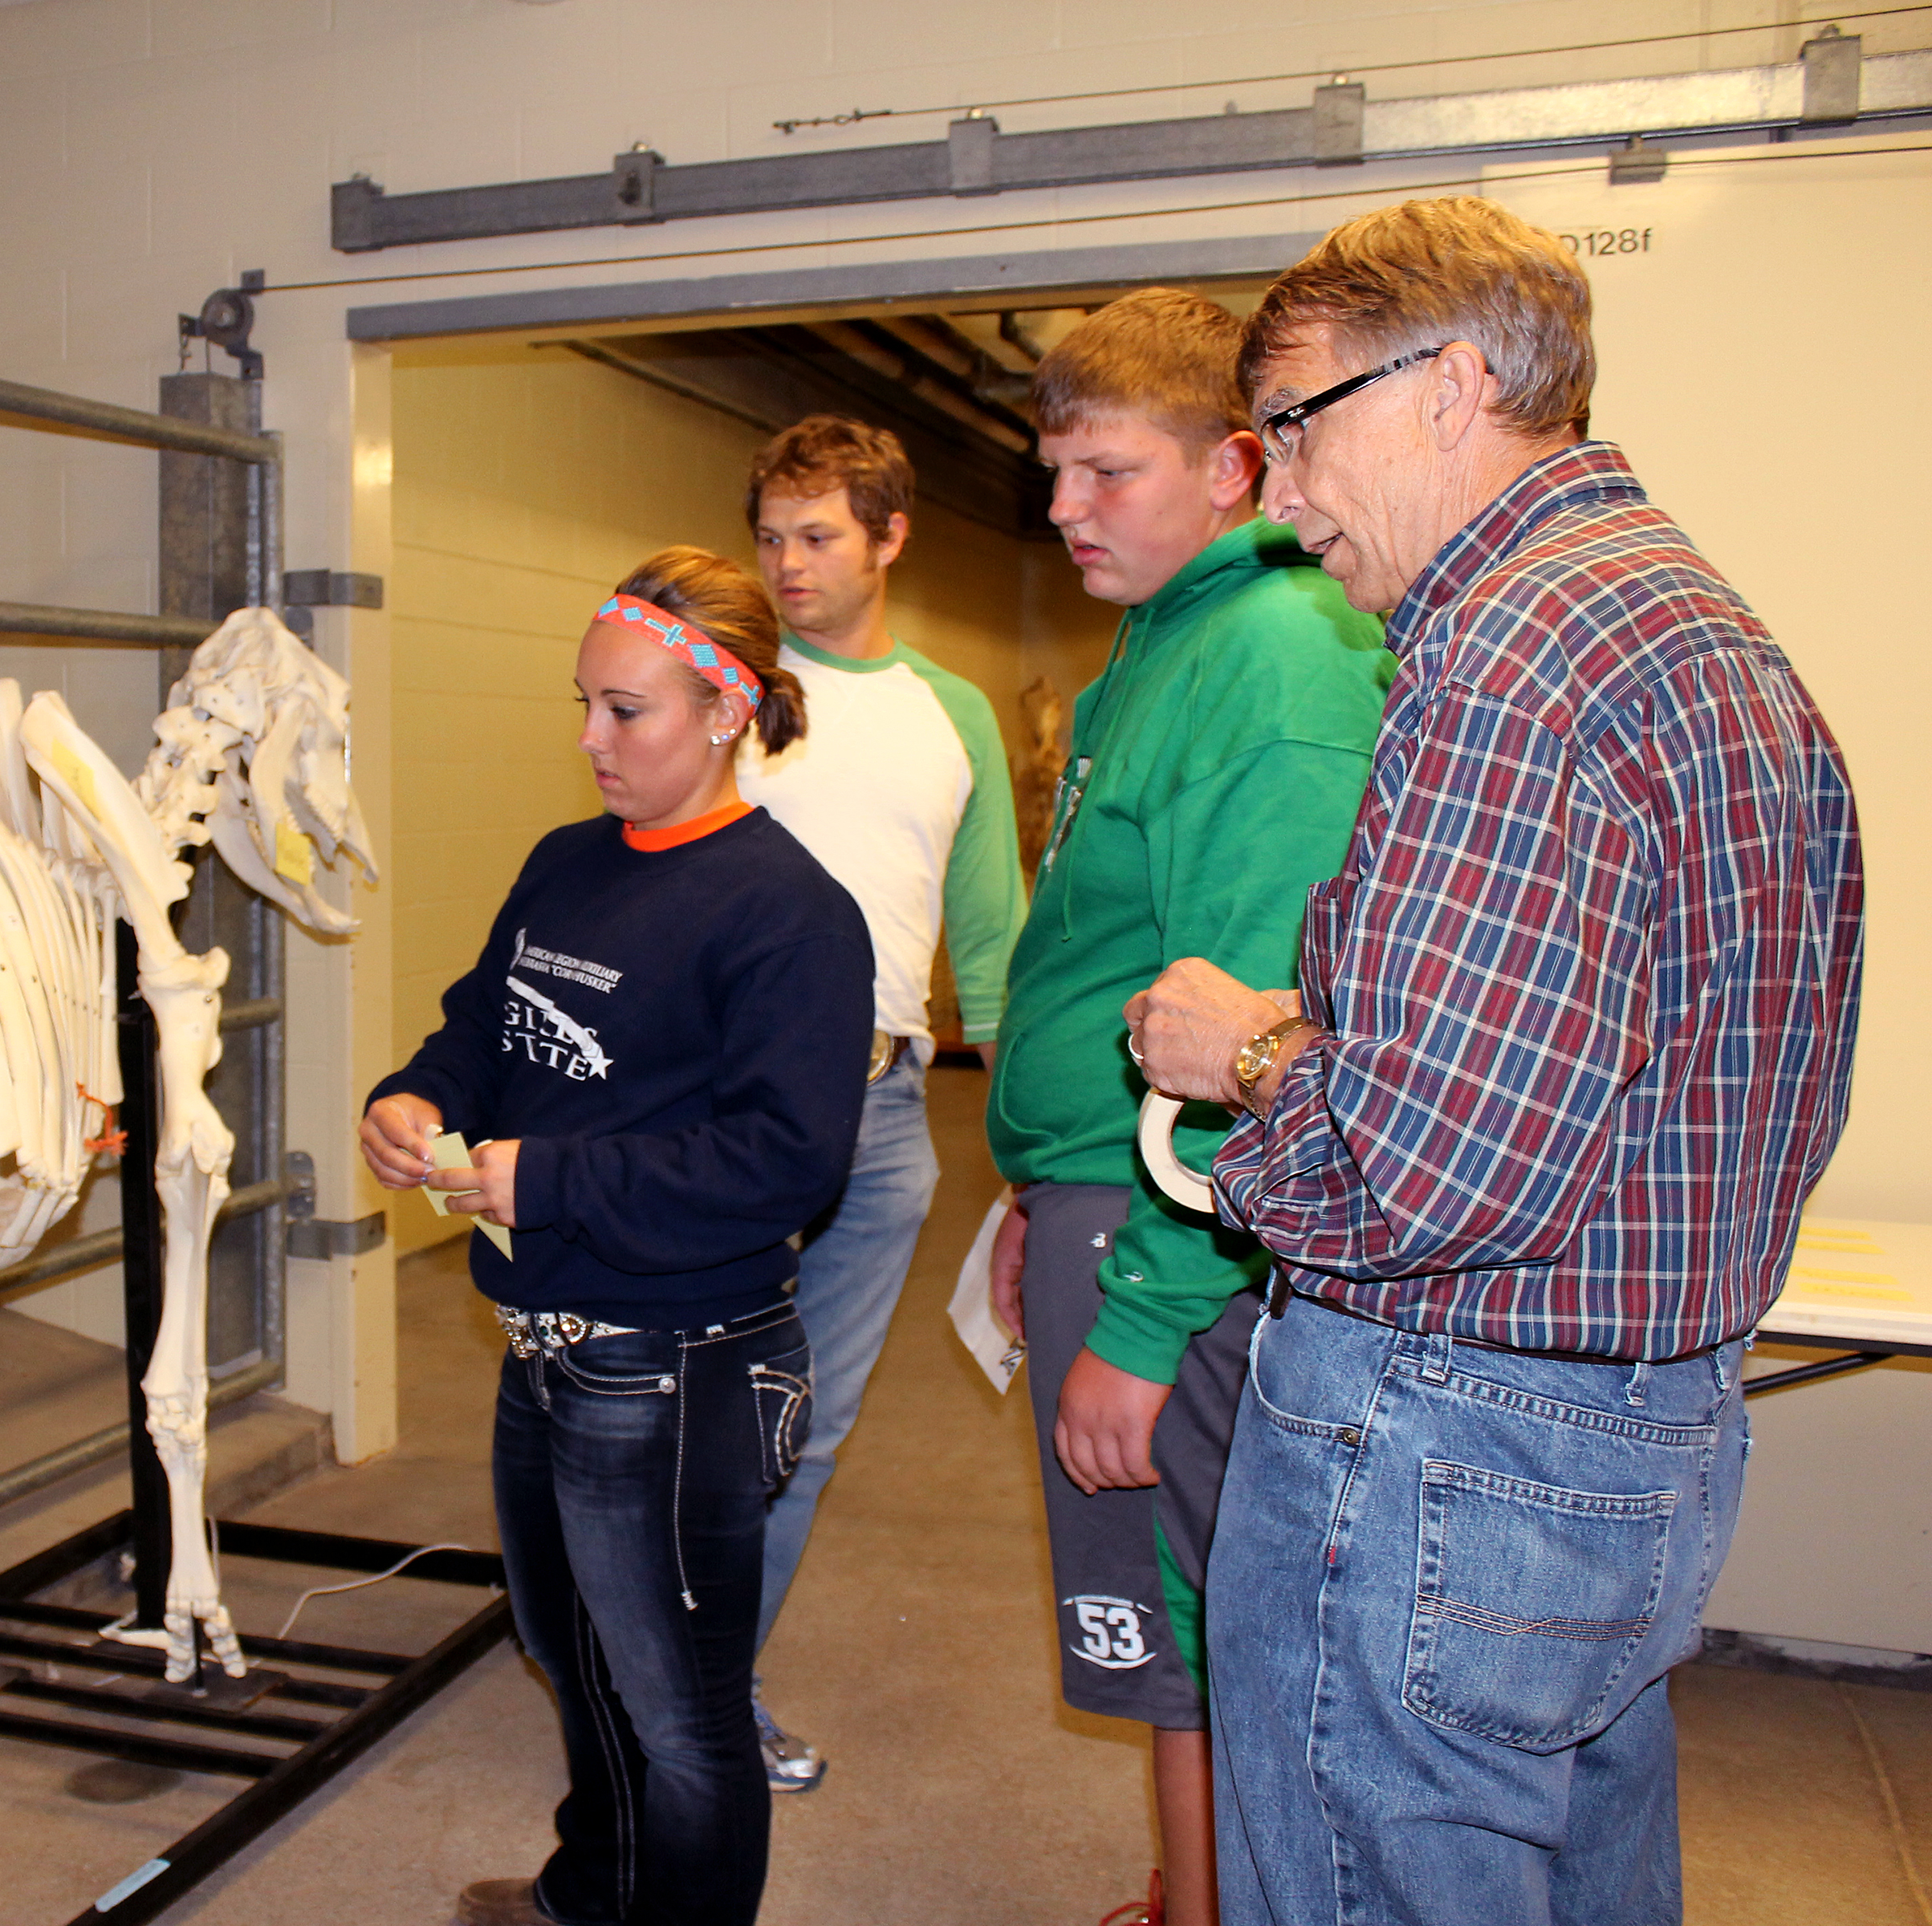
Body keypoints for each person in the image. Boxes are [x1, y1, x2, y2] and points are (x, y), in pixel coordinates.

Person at [1126, 197, 1864, 1926]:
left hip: (1443, 1427)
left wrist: (1245, 1059)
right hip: (1644, 1418)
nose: (1283, 499)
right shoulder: (1698, 632)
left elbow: (1421, 1166)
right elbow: (1652, 1069)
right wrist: (1337, 1050)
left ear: (1451, 385)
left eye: (1295, 430)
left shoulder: (1502, 656)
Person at [360, 548, 872, 1926]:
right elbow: (484, 1026)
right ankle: (594, 1894)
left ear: (725, 708)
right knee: (570, 1653)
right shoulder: (568, 863)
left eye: (625, 710)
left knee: (680, 1712)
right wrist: (416, 1098)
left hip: (682, 1366)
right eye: (582, 702)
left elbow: (789, 1162)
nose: (589, 738)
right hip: (548, 1351)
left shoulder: (789, 912)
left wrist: (555, 1182)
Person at [983, 288, 1393, 1926]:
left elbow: (1253, 1027)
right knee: (1171, 1623)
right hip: (1106, 1196)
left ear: (1235, 466)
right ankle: (1190, 1893)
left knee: (1185, 1628)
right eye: (1054, 473)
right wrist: (1040, 1204)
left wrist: (1147, 1312)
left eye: (1107, 473)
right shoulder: (1164, 641)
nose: (1068, 510)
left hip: (1179, 1229)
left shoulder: (1269, 660)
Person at [738, 415, 1025, 1789]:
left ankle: (711, 1692)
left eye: (818, 537)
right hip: (725, 1107)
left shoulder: (951, 712)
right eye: (771, 539)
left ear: (890, 537)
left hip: (887, 1112)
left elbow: (992, 940)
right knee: (688, 1407)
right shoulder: (727, 680)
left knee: (811, 1422)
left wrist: (1035, 1147)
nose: (788, 566)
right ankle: (646, 1676)